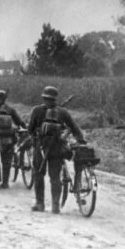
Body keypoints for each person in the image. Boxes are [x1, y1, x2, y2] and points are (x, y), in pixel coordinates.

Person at [28, 86, 85, 214]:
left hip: (40, 148)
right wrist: (81, 140)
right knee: (55, 177)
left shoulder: (36, 110)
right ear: (55, 98)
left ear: (44, 98)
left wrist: (38, 134)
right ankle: (55, 206)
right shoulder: (63, 112)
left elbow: (30, 130)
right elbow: (74, 127)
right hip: (56, 148)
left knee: (38, 175)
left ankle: (40, 204)